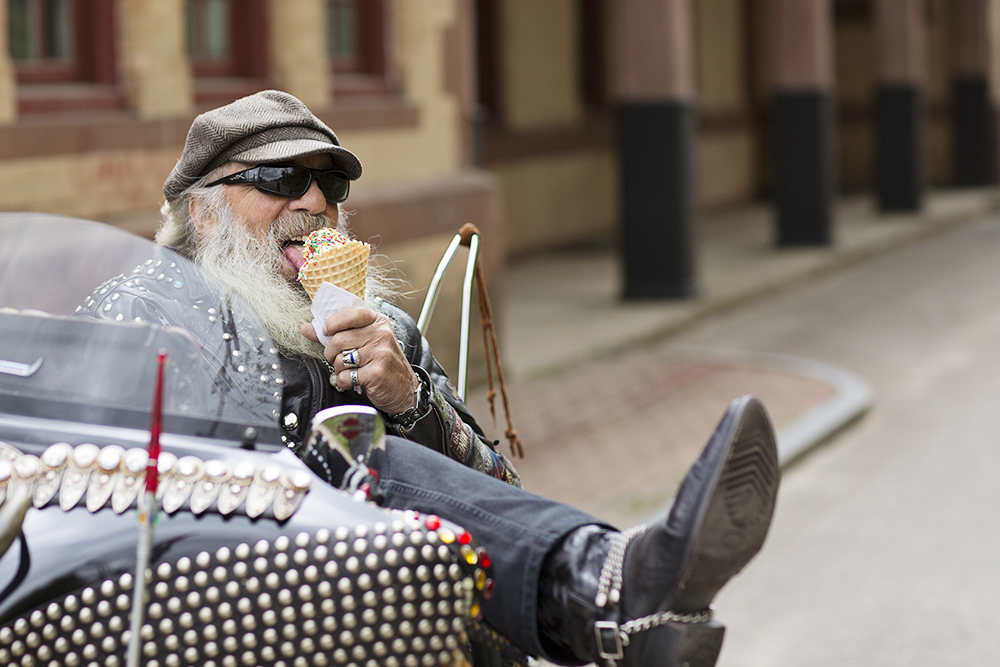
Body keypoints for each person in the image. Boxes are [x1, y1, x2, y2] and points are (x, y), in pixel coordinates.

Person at [78, 90, 780, 666]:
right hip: (224, 612)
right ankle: (618, 586)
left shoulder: (382, 327)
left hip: (393, 614)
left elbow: (499, 496)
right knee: (350, 452)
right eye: (281, 179)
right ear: (202, 209)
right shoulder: (140, 312)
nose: (316, 202)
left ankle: (617, 590)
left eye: (332, 183)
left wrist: (408, 400)